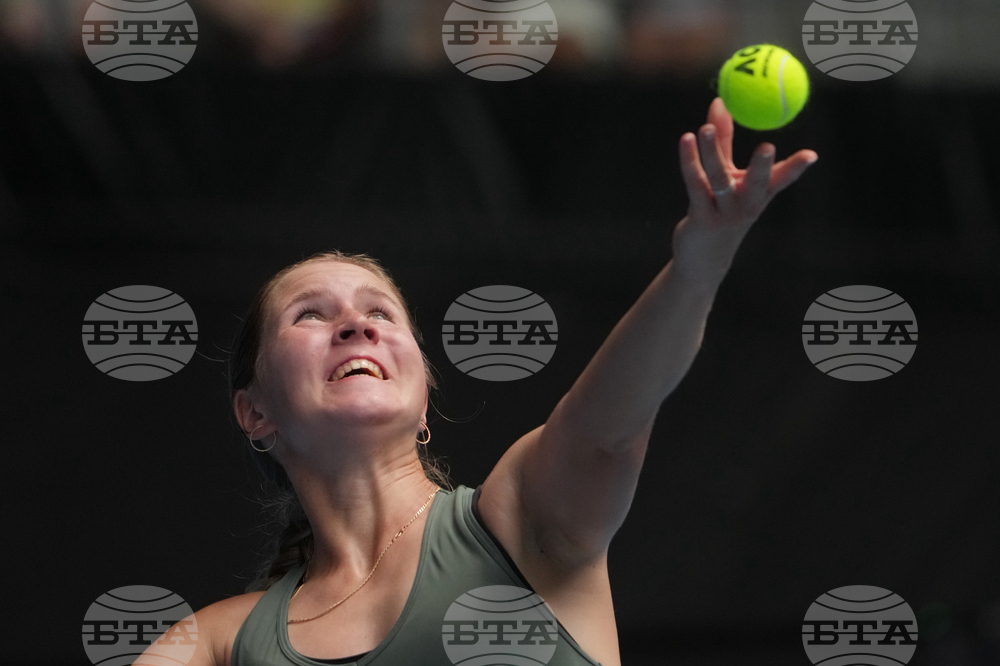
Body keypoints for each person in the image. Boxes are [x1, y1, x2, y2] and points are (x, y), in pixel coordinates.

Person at [139, 97, 817, 666]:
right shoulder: (222, 643)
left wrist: (700, 262)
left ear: (424, 396)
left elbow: (608, 430)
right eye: (310, 314)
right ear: (254, 413)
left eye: (380, 312)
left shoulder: (522, 520)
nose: (356, 324)